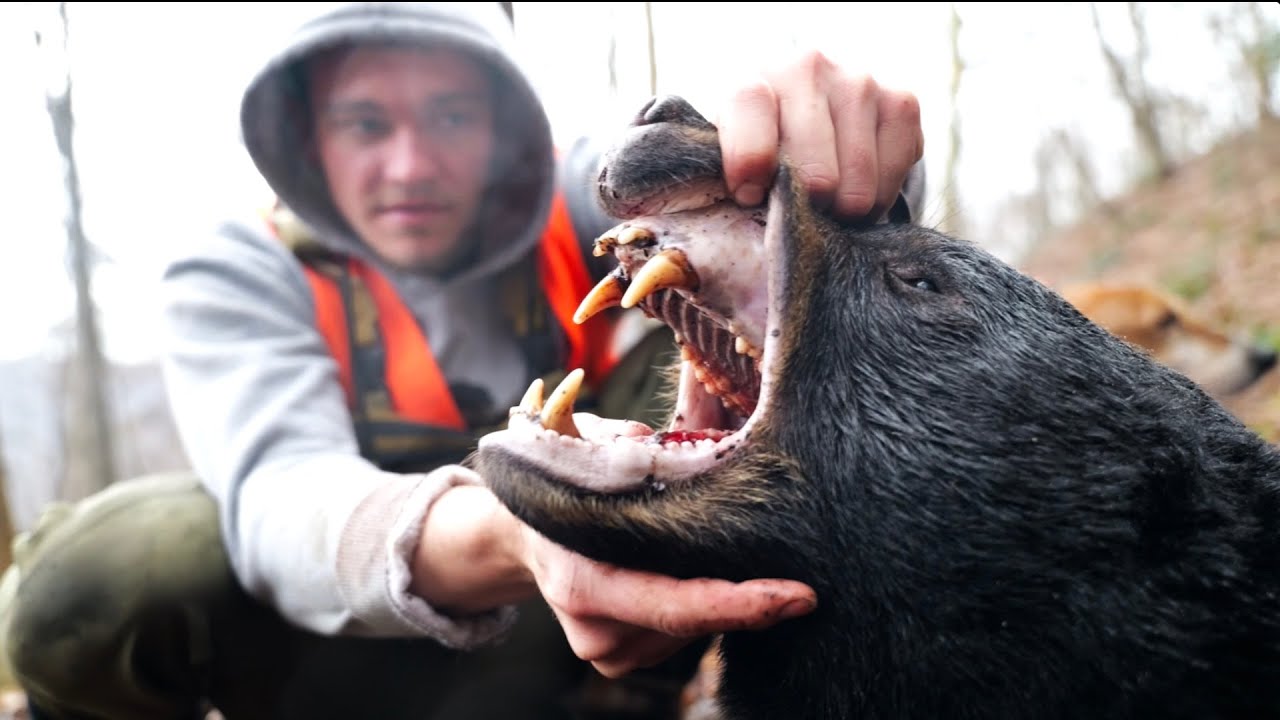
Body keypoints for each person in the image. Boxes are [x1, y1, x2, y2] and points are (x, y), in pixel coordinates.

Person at [0, 2, 927, 718]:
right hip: (349, 664)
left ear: (506, 132)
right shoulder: (240, 268)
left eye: (450, 116)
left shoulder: (573, 204)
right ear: (309, 140)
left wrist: (809, 145)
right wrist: (517, 532)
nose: (410, 166)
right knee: (103, 574)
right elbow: (285, 504)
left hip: (590, 663)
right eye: (365, 124)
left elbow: (702, 186)